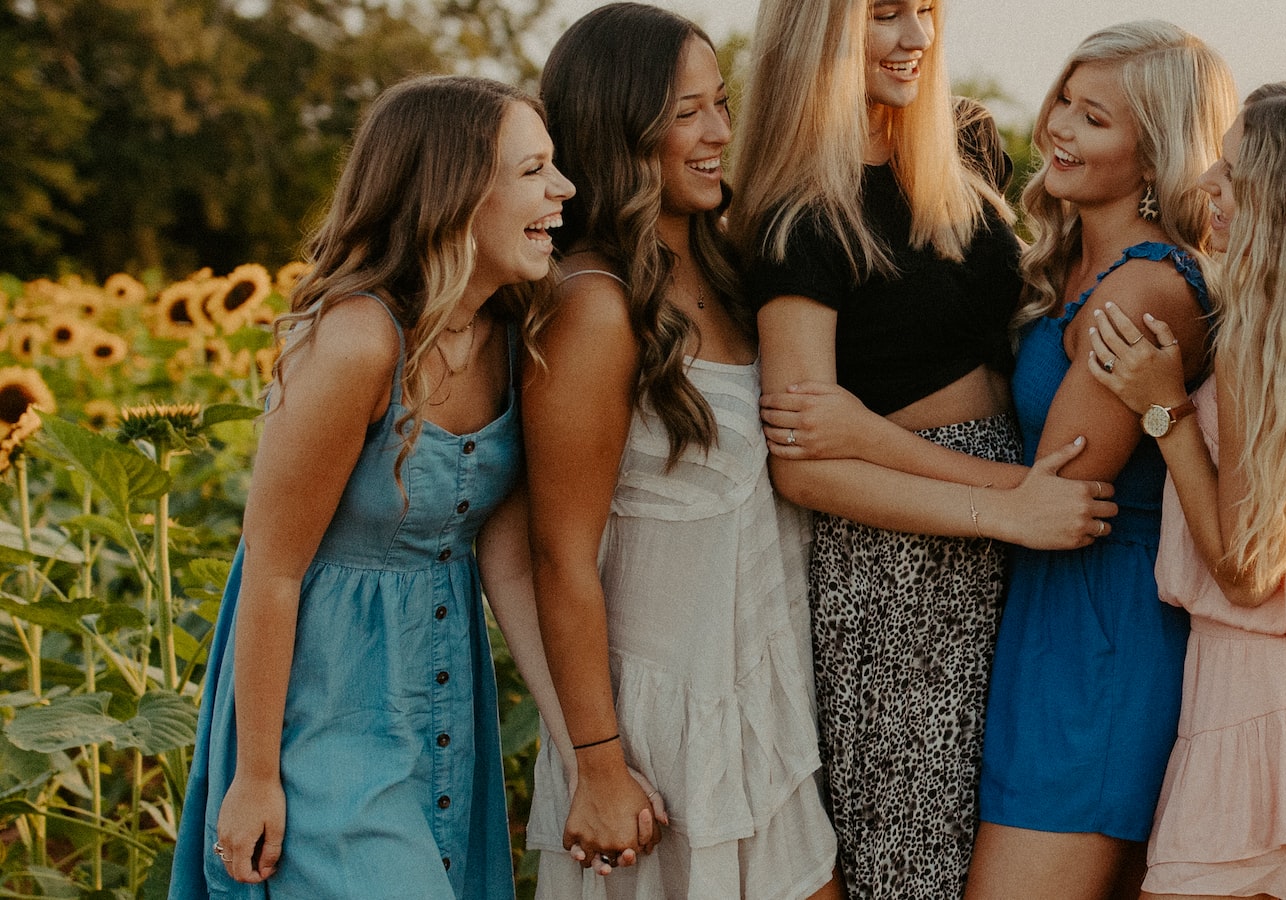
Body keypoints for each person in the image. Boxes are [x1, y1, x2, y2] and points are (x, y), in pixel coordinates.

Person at [731, 1, 1118, 896]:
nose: (916, 38)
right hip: (904, 573)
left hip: (1017, 548)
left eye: (929, 12)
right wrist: (1005, 501)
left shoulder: (962, 150)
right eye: (885, 14)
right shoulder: (801, 214)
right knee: (917, 858)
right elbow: (808, 462)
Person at [169, 75, 574, 899]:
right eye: (534, 171)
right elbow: (272, 569)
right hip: (322, 711)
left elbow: (506, 562)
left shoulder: (509, 337)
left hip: (441, 699)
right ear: (453, 194)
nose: (563, 190)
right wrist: (253, 777)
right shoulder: (358, 340)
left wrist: (578, 748)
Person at [520, 5, 841, 897]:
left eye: (721, 104)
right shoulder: (594, 303)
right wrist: (599, 762)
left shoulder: (735, 268)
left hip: (765, 701)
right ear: (621, 128)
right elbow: (560, 555)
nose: (720, 134)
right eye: (687, 112)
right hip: (655, 736)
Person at [1087, 80, 1286, 900]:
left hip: (1261, 692)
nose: (1207, 187)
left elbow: (1243, 569)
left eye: (1234, 175)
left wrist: (1164, 411)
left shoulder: (1254, 352)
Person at [963, 22, 1235, 900]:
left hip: (1101, 635)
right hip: (1051, 626)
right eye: (1063, 103)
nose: (1059, 131)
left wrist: (855, 447)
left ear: (1155, 158)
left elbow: (1060, 490)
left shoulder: (1144, 288)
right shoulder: (1072, 262)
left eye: (1095, 119)